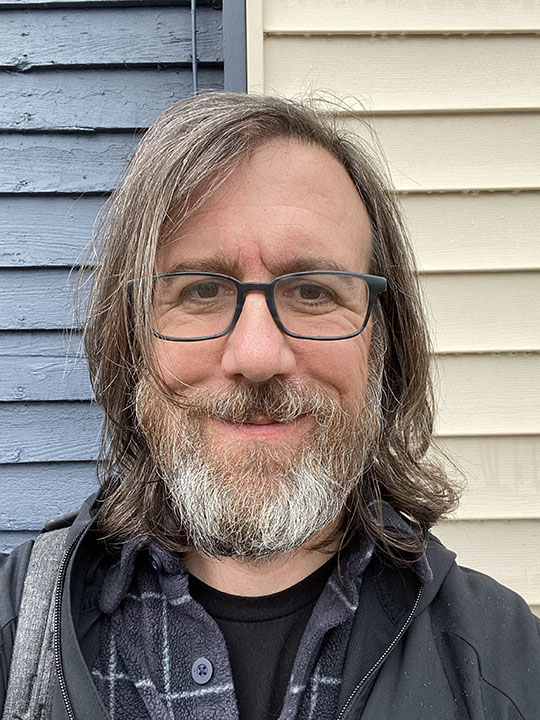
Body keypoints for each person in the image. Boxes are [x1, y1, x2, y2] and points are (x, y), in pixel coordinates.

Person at [1, 92, 538, 720]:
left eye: (312, 291)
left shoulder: (506, 668)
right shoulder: (16, 641)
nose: (256, 355)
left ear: (383, 344)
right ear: (131, 340)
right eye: (200, 290)